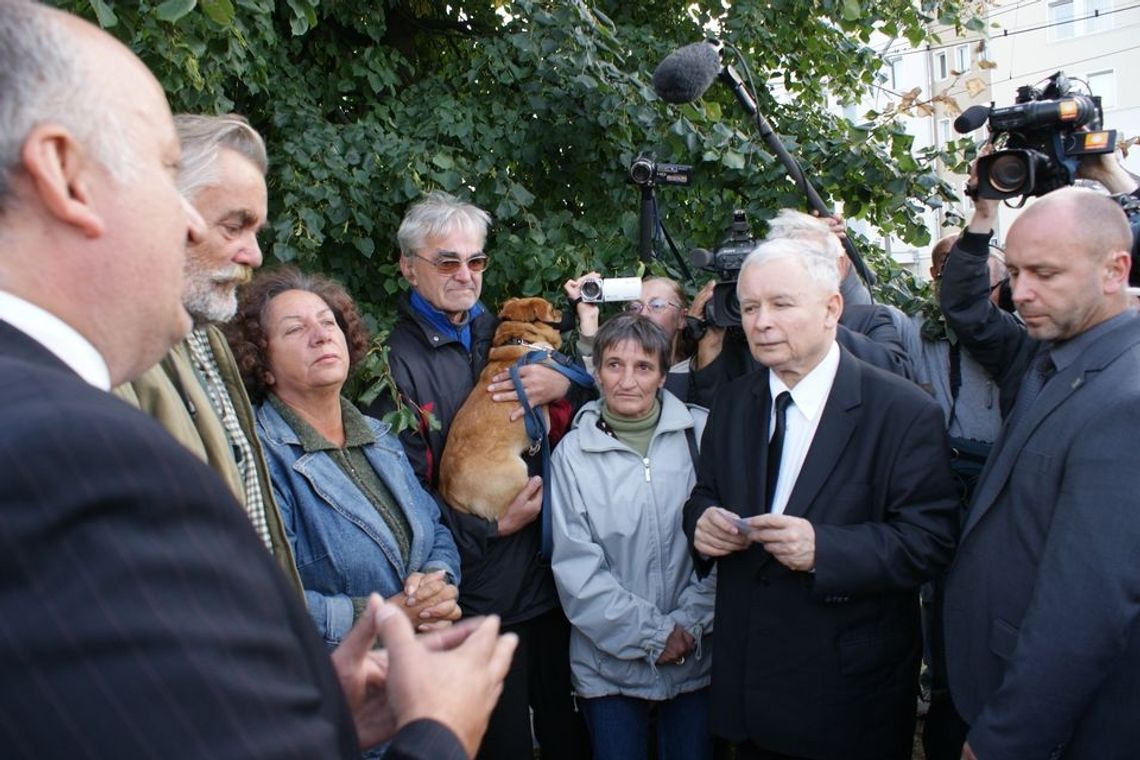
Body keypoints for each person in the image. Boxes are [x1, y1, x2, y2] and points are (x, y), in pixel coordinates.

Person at [0, 2, 514, 757]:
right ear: (64, 174)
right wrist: (438, 730)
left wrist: (318, 712)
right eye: (165, 174)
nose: (195, 232)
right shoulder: (72, 449)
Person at [681, 234, 959, 759]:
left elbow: (930, 541)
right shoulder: (735, 401)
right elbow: (706, 493)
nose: (761, 322)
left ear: (832, 308)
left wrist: (825, 550)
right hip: (750, 694)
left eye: (781, 305)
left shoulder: (901, 412)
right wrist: (701, 523)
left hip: (846, 701)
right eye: (749, 307)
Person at [366, 191, 591, 760]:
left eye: (476, 261)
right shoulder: (392, 365)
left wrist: (567, 384)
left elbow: (599, 403)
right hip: (480, 592)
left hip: (551, 579)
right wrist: (491, 529)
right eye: (447, 261)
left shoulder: (509, 333)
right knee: (504, 743)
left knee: (570, 738)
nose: (465, 274)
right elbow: (399, 498)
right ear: (408, 266)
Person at [941, 187, 1140, 760]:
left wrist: (1007, 737)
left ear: (1115, 270)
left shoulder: (1124, 398)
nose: (1021, 293)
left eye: (1046, 274)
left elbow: (1087, 609)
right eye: (1018, 271)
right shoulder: (1052, 354)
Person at [113, 113, 302, 588]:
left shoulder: (209, 337)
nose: (254, 255)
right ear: (161, 210)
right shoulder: (110, 351)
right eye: (234, 226)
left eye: (255, 231)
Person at [226, 266, 462, 645]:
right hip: (338, 688)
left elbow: (435, 532)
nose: (321, 336)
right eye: (295, 329)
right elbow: (259, 600)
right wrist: (384, 619)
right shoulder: (256, 459)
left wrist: (436, 583)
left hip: (417, 674)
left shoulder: (379, 436)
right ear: (261, 363)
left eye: (328, 322)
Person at [550, 313, 715, 760]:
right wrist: (652, 635)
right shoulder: (572, 455)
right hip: (609, 674)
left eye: (643, 367)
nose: (627, 380)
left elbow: (725, 551)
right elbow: (576, 569)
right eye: (614, 365)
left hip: (695, 660)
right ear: (596, 371)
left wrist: (688, 627)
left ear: (663, 374)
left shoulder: (701, 435)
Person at [668, 209, 914, 407]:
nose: (764, 321)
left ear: (839, 266)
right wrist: (710, 339)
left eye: (808, 259)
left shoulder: (871, 320)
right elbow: (715, 406)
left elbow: (899, 379)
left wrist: (817, 327)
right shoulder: (751, 333)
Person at [564, 274, 695, 371]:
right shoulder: (620, 373)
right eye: (635, 307)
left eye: (656, 305)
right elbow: (595, 381)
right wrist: (588, 317)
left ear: (682, 318)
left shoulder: (697, 373)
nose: (643, 314)